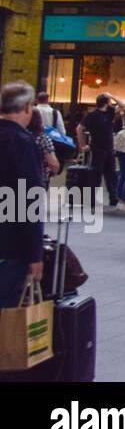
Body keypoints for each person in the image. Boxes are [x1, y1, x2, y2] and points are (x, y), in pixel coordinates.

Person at [0, 82, 43, 308]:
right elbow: (30, 200)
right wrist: (35, 254)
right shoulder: (23, 143)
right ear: (26, 107)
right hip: (10, 242)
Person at [76, 92, 119, 208]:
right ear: (106, 103)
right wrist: (82, 145)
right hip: (98, 148)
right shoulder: (93, 115)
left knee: (111, 174)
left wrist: (111, 96)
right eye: (109, 101)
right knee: (96, 175)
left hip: (108, 148)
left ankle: (113, 197)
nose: (111, 103)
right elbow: (80, 128)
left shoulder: (109, 113)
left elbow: (122, 105)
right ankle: (92, 199)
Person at [27, 108, 60, 185]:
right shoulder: (43, 138)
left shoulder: (17, 136)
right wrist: (55, 171)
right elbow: (52, 163)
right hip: (38, 178)